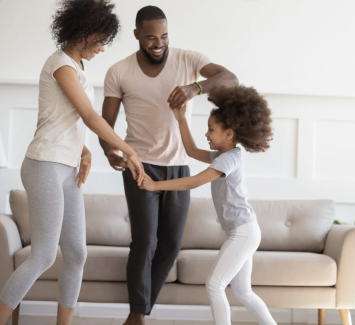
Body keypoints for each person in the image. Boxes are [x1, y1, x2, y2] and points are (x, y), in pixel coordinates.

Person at [0, 1, 145, 325]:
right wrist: (130, 150)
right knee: (44, 255)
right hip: (45, 165)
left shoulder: (77, 67)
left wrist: (84, 150)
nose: (103, 48)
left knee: (77, 254)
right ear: (84, 32)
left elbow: (63, 119)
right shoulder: (61, 65)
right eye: (101, 40)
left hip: (65, 168)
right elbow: (90, 116)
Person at [98, 6, 239, 325]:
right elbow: (105, 126)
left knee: (171, 245)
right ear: (136, 35)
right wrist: (109, 151)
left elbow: (230, 78)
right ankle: (136, 316)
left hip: (178, 166)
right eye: (150, 37)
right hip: (139, 166)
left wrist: (195, 88)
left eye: (163, 36)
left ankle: (141, 309)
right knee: (145, 242)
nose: (158, 43)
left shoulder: (187, 60)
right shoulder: (118, 72)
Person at [140, 86, 276, 325]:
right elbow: (191, 150)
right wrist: (181, 119)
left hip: (243, 231)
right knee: (243, 292)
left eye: (211, 130)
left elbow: (194, 181)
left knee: (215, 285)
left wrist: (155, 185)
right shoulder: (223, 155)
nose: (207, 134)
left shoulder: (229, 160)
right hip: (244, 230)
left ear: (229, 133)